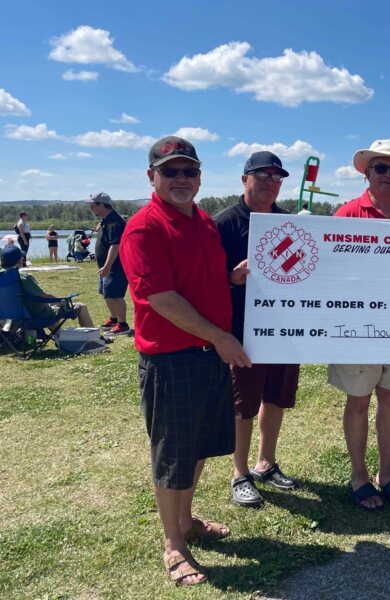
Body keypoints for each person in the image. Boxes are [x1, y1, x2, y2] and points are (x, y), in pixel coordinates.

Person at [119, 136, 252, 587]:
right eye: (170, 171)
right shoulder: (143, 228)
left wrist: (232, 278)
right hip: (172, 359)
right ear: (151, 176)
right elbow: (161, 298)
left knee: (196, 448)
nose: (181, 179)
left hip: (207, 355)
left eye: (188, 171)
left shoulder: (203, 222)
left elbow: (202, 279)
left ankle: (187, 521)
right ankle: (173, 545)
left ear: (199, 177)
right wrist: (220, 337)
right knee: (173, 454)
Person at [330, 139, 390, 511]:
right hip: (357, 325)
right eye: (380, 168)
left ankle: (386, 473)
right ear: (366, 173)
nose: (388, 174)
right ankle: (359, 475)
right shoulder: (347, 214)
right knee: (358, 400)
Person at [215, 151, 301, 507]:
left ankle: (266, 462)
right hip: (243, 330)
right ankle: (240, 473)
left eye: (276, 177)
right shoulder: (224, 223)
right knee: (242, 405)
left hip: (284, 328)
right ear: (244, 179)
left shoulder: (289, 222)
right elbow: (205, 282)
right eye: (261, 175)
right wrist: (231, 279)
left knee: (276, 398)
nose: (269, 182)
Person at [1, 245, 94, 327]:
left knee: (49, 307)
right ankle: (93, 339)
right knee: (81, 307)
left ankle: (59, 337)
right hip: (34, 318)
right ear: (19, 261)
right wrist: (60, 301)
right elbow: (43, 296)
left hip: (8, 318)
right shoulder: (23, 278)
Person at [87, 192, 130, 335]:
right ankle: (114, 318)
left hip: (115, 266)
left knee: (116, 295)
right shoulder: (106, 219)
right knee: (107, 293)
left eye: (93, 207)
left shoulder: (114, 222)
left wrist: (107, 266)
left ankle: (122, 325)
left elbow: (115, 245)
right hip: (106, 266)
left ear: (102, 205)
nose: (92, 210)